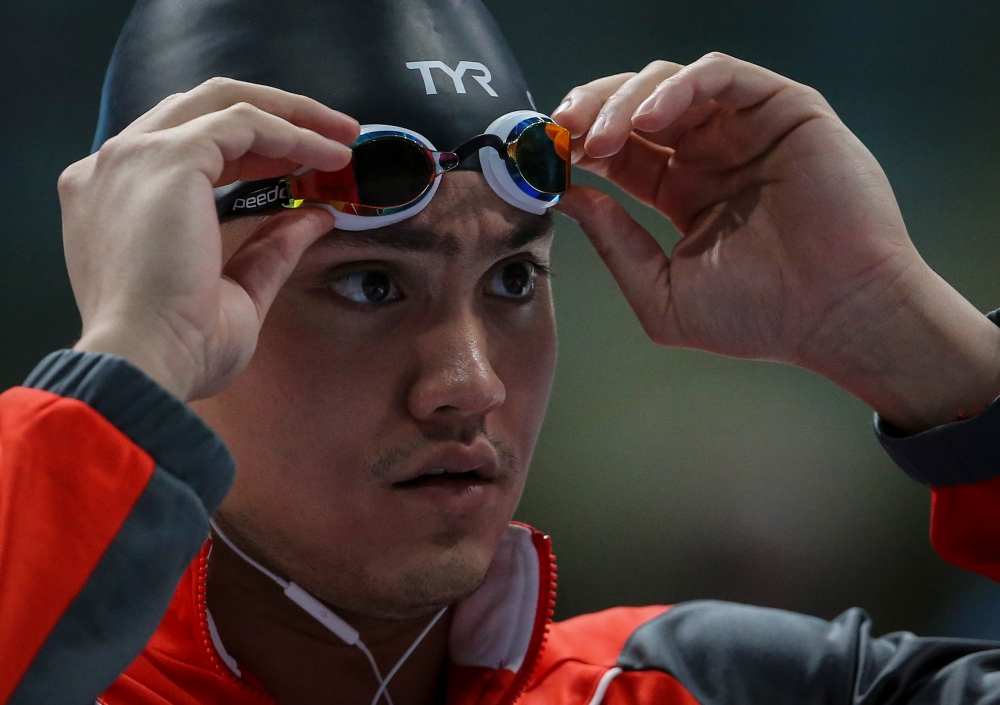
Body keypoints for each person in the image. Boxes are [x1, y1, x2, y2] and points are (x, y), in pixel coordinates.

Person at [3, 0, 1000, 703]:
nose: (469, 383)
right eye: (369, 284)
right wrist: (132, 359)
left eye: (514, 280)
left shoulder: (702, 687)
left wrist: (900, 330)